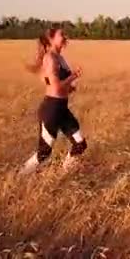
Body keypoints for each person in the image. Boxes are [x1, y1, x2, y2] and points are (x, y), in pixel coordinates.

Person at [19, 27, 87, 175]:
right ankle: (19, 176)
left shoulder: (60, 58)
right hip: (51, 110)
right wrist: (73, 76)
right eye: (61, 35)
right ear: (51, 38)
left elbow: (53, 84)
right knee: (44, 153)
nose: (65, 37)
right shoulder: (50, 58)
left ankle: (65, 172)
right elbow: (55, 86)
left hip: (62, 109)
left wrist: (69, 88)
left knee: (80, 144)